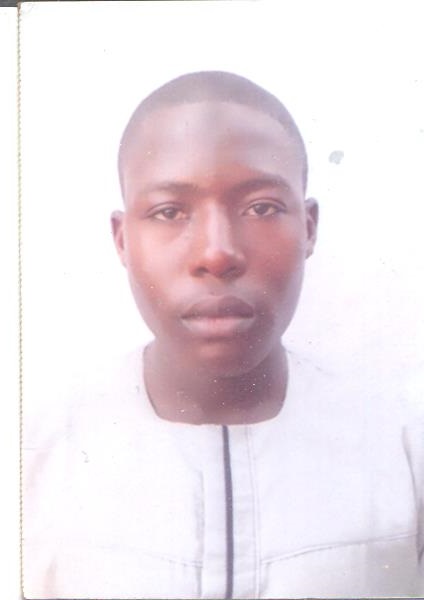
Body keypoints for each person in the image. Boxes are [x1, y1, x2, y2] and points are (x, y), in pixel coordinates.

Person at [23, 71, 424, 599]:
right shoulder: (34, 454)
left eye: (261, 208)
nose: (216, 253)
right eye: (169, 212)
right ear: (122, 240)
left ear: (308, 227)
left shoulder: (403, 449)